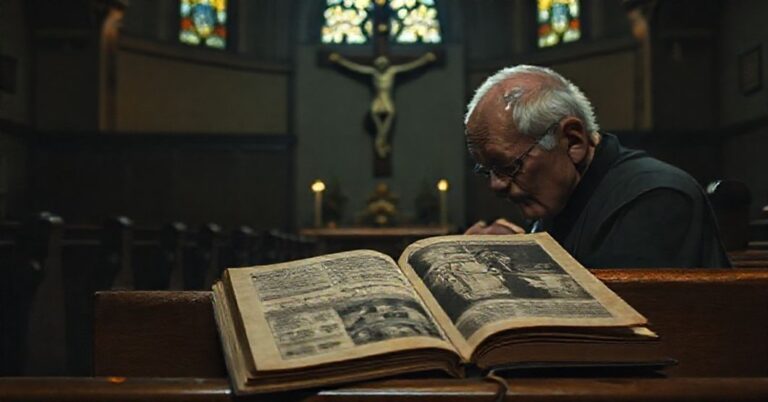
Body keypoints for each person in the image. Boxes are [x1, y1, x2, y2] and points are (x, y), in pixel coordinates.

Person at [463, 65, 730, 268]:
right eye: (487, 170)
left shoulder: (657, 198)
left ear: (573, 141)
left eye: (508, 166)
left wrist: (516, 263)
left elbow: (618, 316)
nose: (496, 185)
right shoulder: (558, 197)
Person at [329, 52, 436, 158]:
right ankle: (381, 138)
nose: (381, 65)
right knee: (374, 113)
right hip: (379, 98)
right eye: (379, 64)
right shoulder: (374, 73)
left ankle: (380, 138)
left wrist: (424, 60)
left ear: (387, 64)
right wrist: (340, 61)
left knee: (390, 114)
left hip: (386, 98)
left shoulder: (392, 71)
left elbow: (408, 67)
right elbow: (356, 68)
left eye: (383, 63)